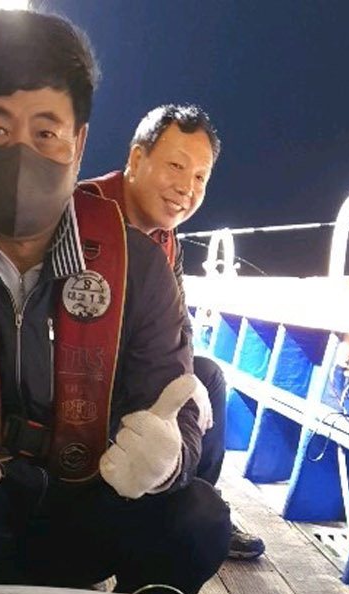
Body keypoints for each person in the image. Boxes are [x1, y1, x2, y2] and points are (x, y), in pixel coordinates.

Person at [0, 6, 238, 594]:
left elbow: (171, 400)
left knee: (199, 519)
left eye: (46, 133)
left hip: (89, 503)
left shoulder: (141, 264)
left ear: (79, 141)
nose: (22, 155)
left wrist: (166, 460)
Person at [97, 101, 263, 558]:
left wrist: (185, 376)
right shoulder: (85, 213)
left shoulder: (167, 239)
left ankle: (192, 494)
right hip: (86, 375)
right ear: (136, 160)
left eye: (200, 177)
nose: (187, 188)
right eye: (176, 166)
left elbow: (179, 324)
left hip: (145, 367)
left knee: (207, 374)